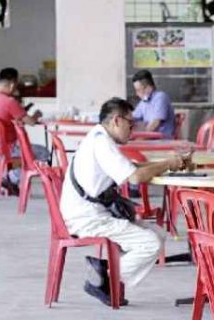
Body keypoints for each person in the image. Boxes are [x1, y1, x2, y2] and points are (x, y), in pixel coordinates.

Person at [59, 97, 190, 306]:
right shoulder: (102, 144)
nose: (133, 130)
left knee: (158, 234)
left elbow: (131, 169)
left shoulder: (98, 138)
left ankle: (104, 270)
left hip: (92, 212)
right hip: (87, 217)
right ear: (116, 120)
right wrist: (168, 164)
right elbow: (135, 177)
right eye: (131, 124)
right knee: (150, 244)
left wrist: (167, 164)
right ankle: (104, 279)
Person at [0, 67, 47, 196]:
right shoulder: (9, 101)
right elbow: (31, 122)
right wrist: (37, 115)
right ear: (12, 84)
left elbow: (0, 121)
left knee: (27, 151)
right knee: (44, 152)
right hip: (6, 149)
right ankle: (11, 177)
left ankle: (10, 182)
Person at [131, 70, 175, 139]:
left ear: (148, 87)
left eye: (138, 90)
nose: (137, 94)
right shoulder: (144, 102)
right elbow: (133, 117)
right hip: (150, 138)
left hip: (162, 140)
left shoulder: (161, 97)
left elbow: (155, 123)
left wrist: (140, 138)